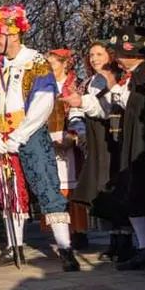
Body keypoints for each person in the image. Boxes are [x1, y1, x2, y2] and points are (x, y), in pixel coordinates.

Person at [0, 4, 81, 272]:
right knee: (9, 191)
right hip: (1, 135)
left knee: (46, 184)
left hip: (29, 134)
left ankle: (65, 247)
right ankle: (15, 246)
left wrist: (19, 135)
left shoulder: (35, 62)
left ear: (13, 34)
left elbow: (43, 102)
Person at [73, 27, 145, 273]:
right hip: (131, 141)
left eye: (120, 52)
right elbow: (112, 106)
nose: (116, 57)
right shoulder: (128, 77)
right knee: (134, 193)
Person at [46, 49, 89, 242]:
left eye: (53, 63)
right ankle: (59, 229)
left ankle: (78, 230)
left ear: (65, 64)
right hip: (49, 138)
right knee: (53, 182)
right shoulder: (43, 86)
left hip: (71, 139)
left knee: (73, 183)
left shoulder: (76, 85)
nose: (49, 68)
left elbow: (80, 111)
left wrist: (73, 136)